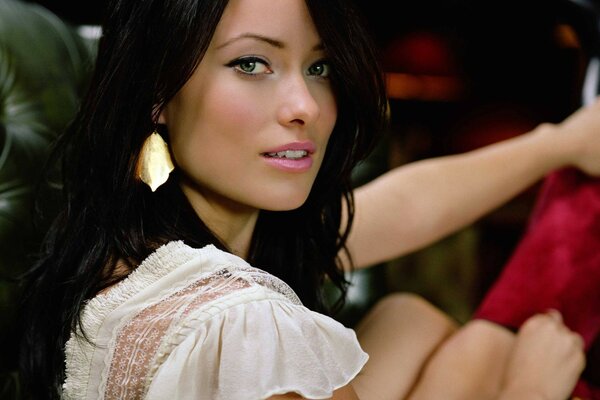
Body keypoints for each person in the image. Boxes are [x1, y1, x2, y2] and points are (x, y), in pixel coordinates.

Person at [17, 0, 600, 398]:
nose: (306, 106)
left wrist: (561, 144)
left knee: (410, 321)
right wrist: (529, 390)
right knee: (485, 350)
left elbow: (404, 207)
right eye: (251, 63)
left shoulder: (138, 254)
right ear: (158, 92)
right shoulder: (246, 324)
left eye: (319, 66)